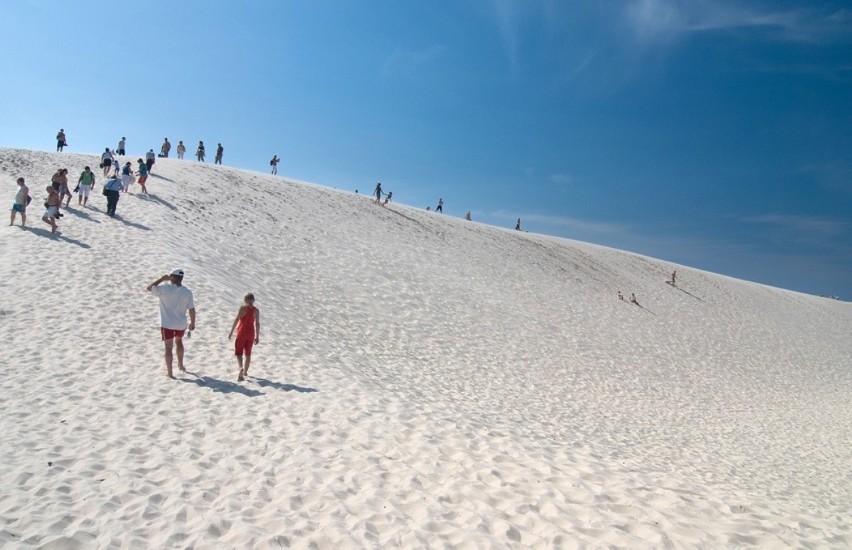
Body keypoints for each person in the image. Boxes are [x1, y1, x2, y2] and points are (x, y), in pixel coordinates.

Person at [147, 269, 196, 378]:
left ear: (173, 277)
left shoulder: (165, 289)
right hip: (180, 323)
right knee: (179, 342)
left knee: (168, 347)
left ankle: (170, 372)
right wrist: (193, 323)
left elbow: (149, 288)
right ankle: (181, 365)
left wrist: (162, 279)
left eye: (171, 276)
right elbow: (191, 309)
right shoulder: (187, 292)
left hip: (167, 323)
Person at [228, 293, 261, 381]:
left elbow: (237, 319)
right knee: (248, 354)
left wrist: (231, 332)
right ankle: (245, 372)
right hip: (251, 333)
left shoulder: (242, 308)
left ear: (245, 300)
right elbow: (257, 324)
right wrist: (257, 336)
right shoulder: (256, 311)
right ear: (253, 300)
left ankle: (240, 368)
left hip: (242, 332)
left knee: (239, 353)